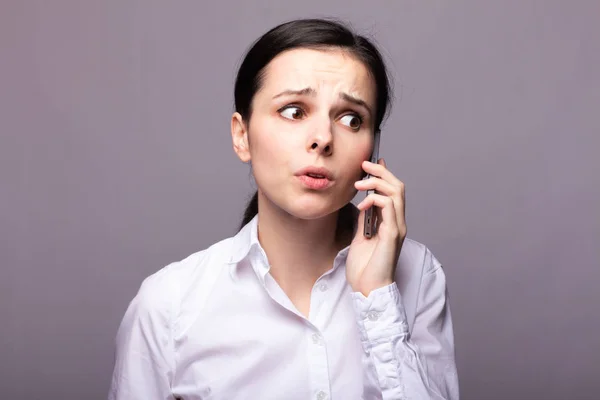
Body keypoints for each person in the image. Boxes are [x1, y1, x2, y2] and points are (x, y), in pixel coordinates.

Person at [108, 18, 459, 400]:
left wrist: (376, 296)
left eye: (351, 119)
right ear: (242, 135)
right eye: (294, 111)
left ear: (372, 148)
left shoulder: (417, 275)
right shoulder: (169, 305)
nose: (323, 139)